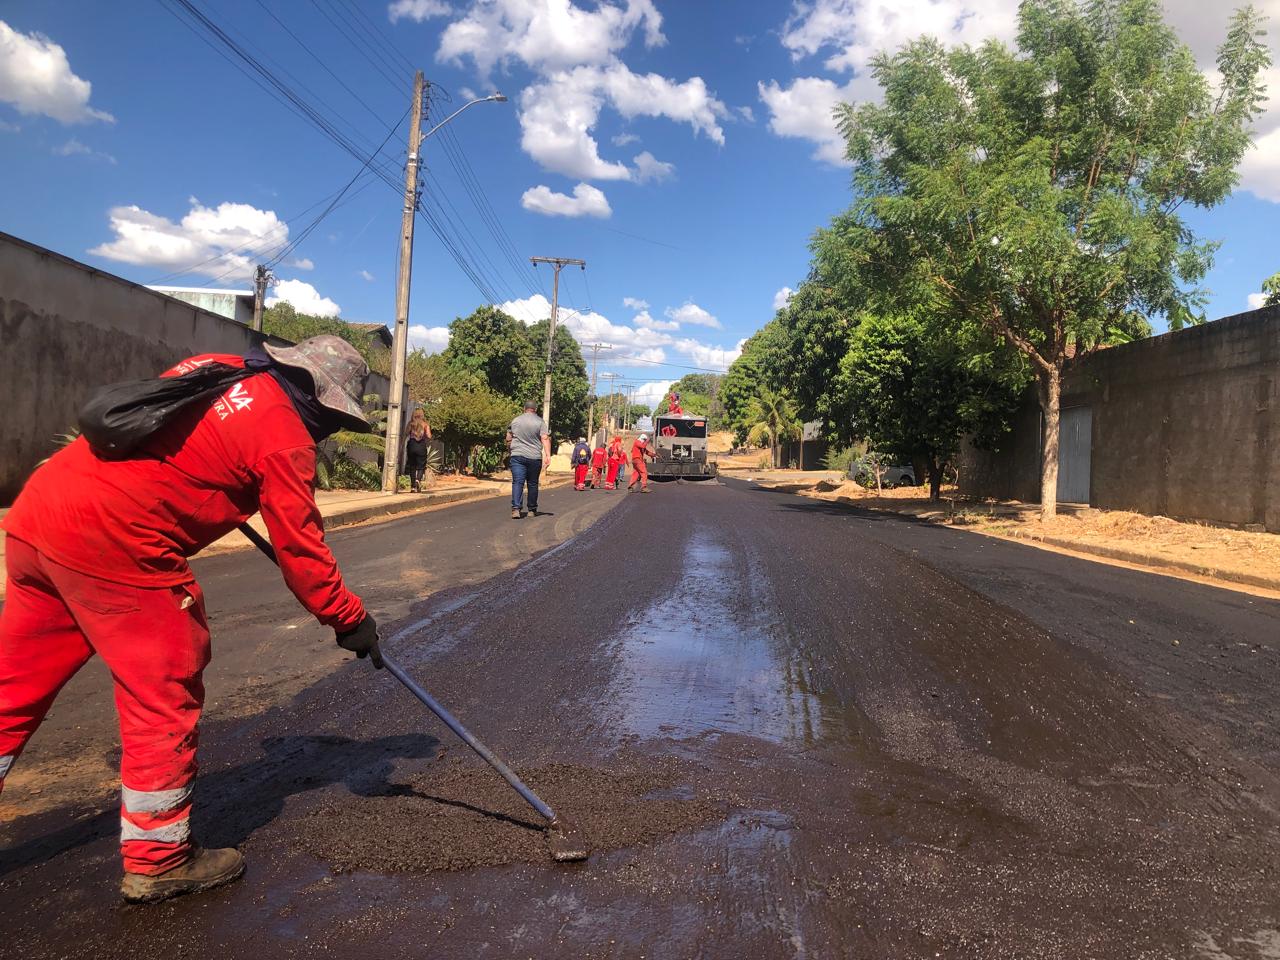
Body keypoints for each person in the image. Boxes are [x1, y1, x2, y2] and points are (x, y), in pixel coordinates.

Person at [0, 335, 382, 904]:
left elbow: (181, 443)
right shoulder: (284, 438)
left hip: (42, 518)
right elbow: (302, 553)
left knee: (13, 684)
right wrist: (349, 619)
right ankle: (159, 860)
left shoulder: (219, 368)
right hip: (116, 543)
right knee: (164, 684)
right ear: (322, 400)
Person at [506, 400, 550, 518]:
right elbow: (545, 438)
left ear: (524, 408)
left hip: (517, 456)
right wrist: (548, 455)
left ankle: (516, 509)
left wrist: (510, 451)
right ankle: (532, 509)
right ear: (535, 409)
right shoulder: (540, 422)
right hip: (534, 457)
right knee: (532, 483)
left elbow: (509, 437)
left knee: (518, 482)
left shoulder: (515, 420)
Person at [404, 408, 432, 493]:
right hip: (421, 446)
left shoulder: (410, 424)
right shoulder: (425, 424)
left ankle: (413, 487)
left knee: (412, 466)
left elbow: (405, 434)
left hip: (412, 445)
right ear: (422, 415)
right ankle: (418, 480)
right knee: (421, 466)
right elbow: (429, 436)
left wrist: (402, 445)